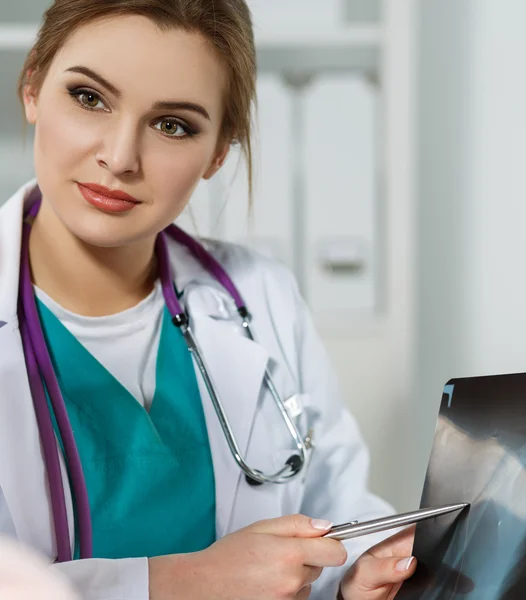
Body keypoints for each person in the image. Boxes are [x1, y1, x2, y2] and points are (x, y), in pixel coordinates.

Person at [0, 1, 416, 598]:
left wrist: (359, 578)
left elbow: (338, 519)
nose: (119, 158)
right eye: (90, 98)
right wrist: (184, 580)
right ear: (33, 87)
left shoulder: (261, 295)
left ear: (219, 150)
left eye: (173, 124)